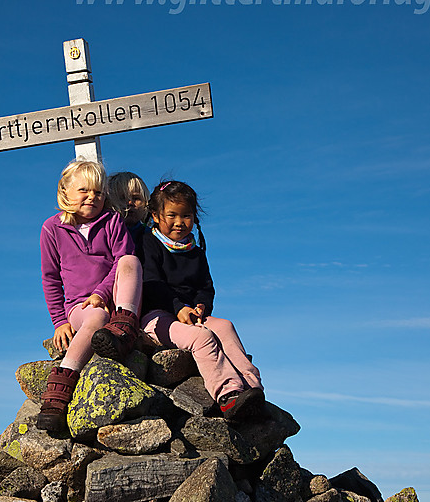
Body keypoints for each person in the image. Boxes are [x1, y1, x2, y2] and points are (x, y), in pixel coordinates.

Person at [140, 180, 265, 421]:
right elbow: (152, 285)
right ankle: (228, 396)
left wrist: (201, 306)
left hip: (191, 314)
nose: (179, 222)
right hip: (156, 317)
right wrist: (178, 308)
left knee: (225, 326)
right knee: (203, 337)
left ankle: (252, 388)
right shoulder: (149, 244)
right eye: (172, 215)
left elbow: (205, 287)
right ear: (155, 216)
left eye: (186, 215)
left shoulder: (194, 251)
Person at [38, 159, 143, 431]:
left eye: (98, 192)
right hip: (80, 306)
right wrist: (60, 322)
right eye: (84, 190)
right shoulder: (52, 228)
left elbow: (123, 260)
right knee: (95, 316)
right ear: (65, 191)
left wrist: (102, 292)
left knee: (130, 262)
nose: (92, 197)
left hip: (117, 300)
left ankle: (123, 326)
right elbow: (50, 278)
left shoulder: (112, 221)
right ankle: (63, 381)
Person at [107, 171, 150, 259]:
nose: (130, 203)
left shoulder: (151, 235)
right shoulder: (106, 234)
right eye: (122, 198)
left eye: (136, 198)